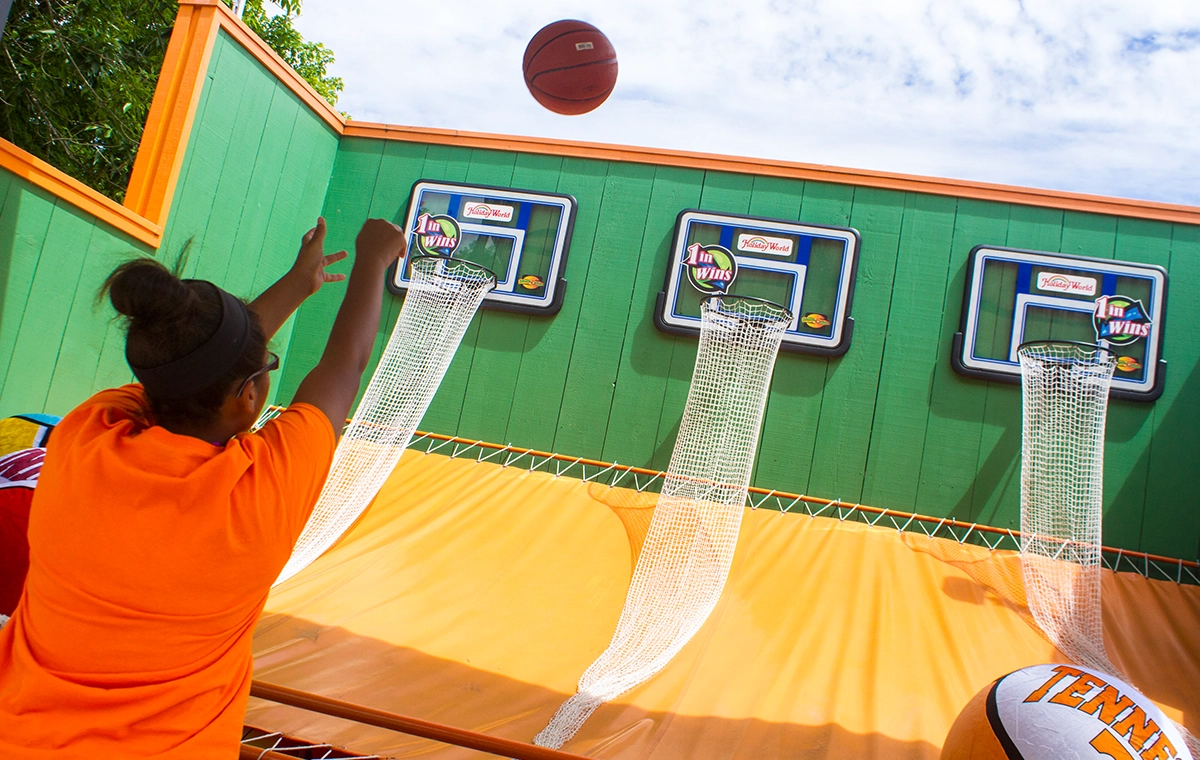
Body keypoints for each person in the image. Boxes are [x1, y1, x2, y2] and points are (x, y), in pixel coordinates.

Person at [0, 216, 406, 757]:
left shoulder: (85, 436)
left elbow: (183, 368)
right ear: (249, 396)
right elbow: (344, 367)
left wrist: (302, 284)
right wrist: (374, 261)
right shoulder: (261, 491)